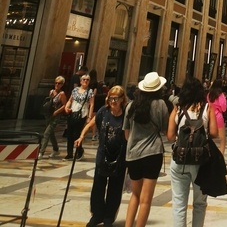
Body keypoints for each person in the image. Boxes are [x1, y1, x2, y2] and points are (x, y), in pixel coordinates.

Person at [167, 78, 218, 227]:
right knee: (200, 203)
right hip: (201, 161)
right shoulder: (207, 108)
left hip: (180, 159)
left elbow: (170, 136)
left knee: (179, 203)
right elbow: (214, 133)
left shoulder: (178, 108)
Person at [74, 86, 128, 227]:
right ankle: (97, 215)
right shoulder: (103, 112)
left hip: (119, 157)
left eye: (116, 99)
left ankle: (109, 217)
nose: (113, 101)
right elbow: (90, 124)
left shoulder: (126, 114)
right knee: (98, 186)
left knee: (115, 188)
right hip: (103, 155)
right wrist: (81, 137)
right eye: (110, 98)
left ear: (122, 99)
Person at [123, 71, 169, 227]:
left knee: (135, 195)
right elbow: (165, 130)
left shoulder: (131, 106)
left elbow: (126, 134)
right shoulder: (160, 105)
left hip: (133, 154)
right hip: (152, 154)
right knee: (146, 200)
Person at [64, 71, 95, 160]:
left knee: (76, 134)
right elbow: (70, 100)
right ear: (80, 81)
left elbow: (91, 104)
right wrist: (66, 107)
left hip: (82, 114)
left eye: (87, 80)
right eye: (84, 79)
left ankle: (79, 151)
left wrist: (89, 117)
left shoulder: (90, 91)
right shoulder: (75, 90)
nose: (85, 81)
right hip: (72, 113)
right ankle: (69, 153)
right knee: (69, 134)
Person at [40, 76, 67, 157]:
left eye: (59, 83)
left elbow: (64, 105)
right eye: (56, 83)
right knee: (51, 133)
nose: (57, 85)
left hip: (55, 116)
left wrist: (56, 112)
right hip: (48, 114)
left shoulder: (62, 94)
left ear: (62, 84)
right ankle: (56, 149)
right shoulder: (51, 92)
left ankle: (41, 152)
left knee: (47, 133)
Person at [207, 79, 227, 157]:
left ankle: (209, 154)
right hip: (218, 116)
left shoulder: (209, 94)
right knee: (222, 138)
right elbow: (224, 108)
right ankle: (221, 155)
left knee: (210, 137)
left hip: (210, 116)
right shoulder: (221, 95)